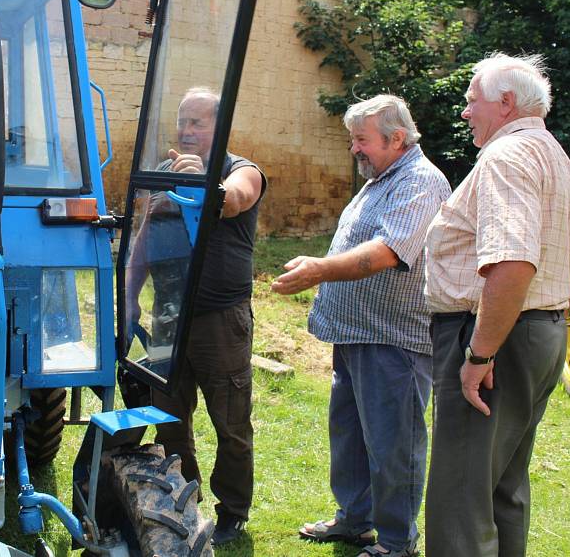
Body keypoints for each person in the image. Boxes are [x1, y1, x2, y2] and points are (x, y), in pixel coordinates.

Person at [272, 95, 450, 557]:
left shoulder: (421, 181)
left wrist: (319, 269)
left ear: (396, 138)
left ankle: (396, 543)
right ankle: (355, 521)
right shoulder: (382, 178)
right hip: (356, 334)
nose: (354, 149)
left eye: (361, 140)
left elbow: (387, 252)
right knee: (350, 435)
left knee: (394, 445)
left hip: (394, 340)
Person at [424, 52, 570, 556]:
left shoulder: (506, 157)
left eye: (473, 102)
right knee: (503, 489)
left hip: (497, 338)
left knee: (460, 501)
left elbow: (513, 262)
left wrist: (478, 355)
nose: (466, 113)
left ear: (506, 103)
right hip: (540, 334)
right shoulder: (555, 158)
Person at [126, 87, 267, 545]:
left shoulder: (241, 171)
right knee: (169, 417)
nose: (187, 131)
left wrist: (206, 184)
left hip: (219, 319)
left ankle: (233, 512)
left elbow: (235, 200)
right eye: (183, 121)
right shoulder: (167, 171)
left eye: (198, 123)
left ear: (220, 127)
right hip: (169, 316)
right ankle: (184, 500)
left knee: (229, 421)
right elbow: (146, 234)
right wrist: (129, 297)